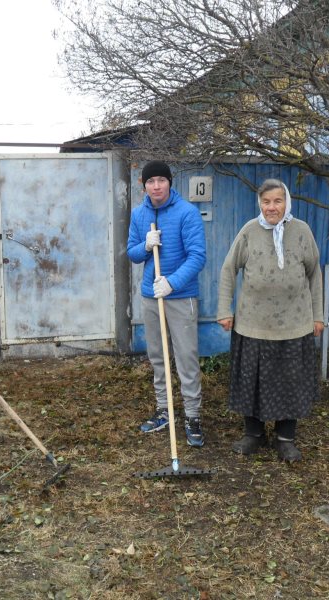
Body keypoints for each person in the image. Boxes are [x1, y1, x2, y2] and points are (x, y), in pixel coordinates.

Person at [216, 178, 324, 461]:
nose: (271, 207)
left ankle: (285, 438)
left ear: (286, 202)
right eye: (266, 202)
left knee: (290, 382)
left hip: (294, 324)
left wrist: (319, 315)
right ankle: (253, 434)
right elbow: (229, 269)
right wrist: (224, 310)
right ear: (260, 204)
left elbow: (315, 274)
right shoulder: (249, 232)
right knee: (251, 381)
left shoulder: (302, 232)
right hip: (253, 324)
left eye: (277, 201)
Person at [127, 160, 207, 447]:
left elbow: (197, 256)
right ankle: (164, 410)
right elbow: (132, 254)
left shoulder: (187, 213)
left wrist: (172, 282)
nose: (156, 186)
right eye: (151, 181)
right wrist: (145, 246)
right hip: (151, 297)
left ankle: (193, 416)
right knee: (158, 357)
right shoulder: (139, 214)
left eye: (161, 180)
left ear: (170, 182)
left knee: (186, 358)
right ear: (144, 185)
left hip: (180, 296)